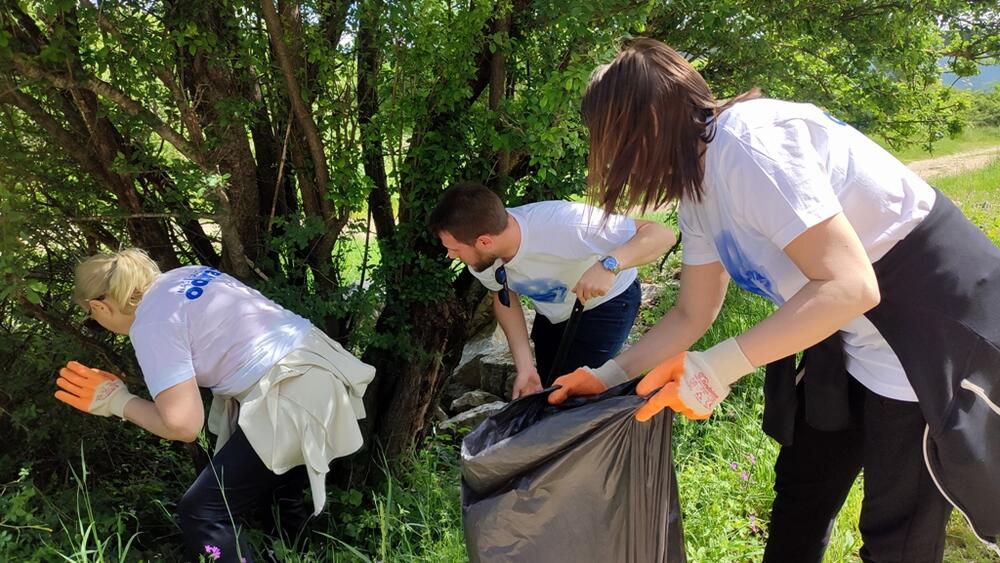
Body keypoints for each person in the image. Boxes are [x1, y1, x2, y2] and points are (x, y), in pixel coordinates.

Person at [548, 38, 1000, 562]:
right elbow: (692, 313)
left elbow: (851, 285)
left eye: (610, 138)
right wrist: (604, 377)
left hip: (928, 326)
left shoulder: (749, 145)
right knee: (803, 496)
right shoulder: (698, 185)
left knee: (896, 534)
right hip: (847, 332)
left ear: (648, 120)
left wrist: (716, 368)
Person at [55, 248, 374, 563]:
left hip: (290, 391)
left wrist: (117, 401)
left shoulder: (151, 323)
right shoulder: (184, 275)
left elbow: (183, 425)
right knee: (276, 492)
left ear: (99, 306)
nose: (97, 323)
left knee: (203, 511)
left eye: (92, 319)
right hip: (319, 371)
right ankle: (299, 555)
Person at [428, 181, 675, 396]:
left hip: (606, 304)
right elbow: (504, 298)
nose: (450, 256)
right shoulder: (482, 258)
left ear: (484, 241)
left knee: (579, 393)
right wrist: (525, 367)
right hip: (553, 312)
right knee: (548, 387)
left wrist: (610, 265)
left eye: (455, 249)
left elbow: (661, 234)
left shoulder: (567, 225)